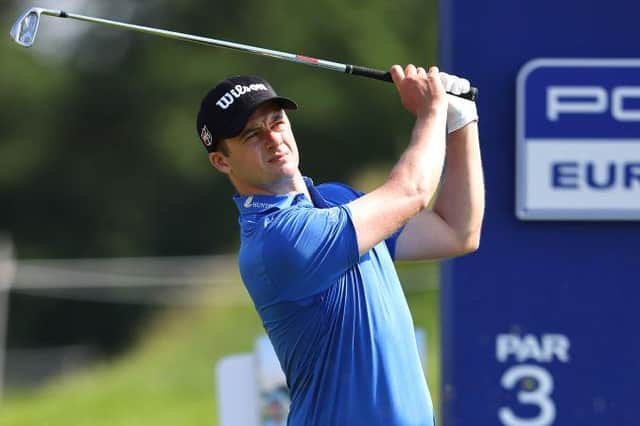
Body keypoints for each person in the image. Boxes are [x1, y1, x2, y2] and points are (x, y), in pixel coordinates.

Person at [196, 65, 484, 426]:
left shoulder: (337, 201)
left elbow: (456, 230)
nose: (272, 138)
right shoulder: (279, 240)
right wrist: (432, 112)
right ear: (222, 161)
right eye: (251, 134)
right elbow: (412, 192)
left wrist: (460, 122)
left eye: (276, 121)